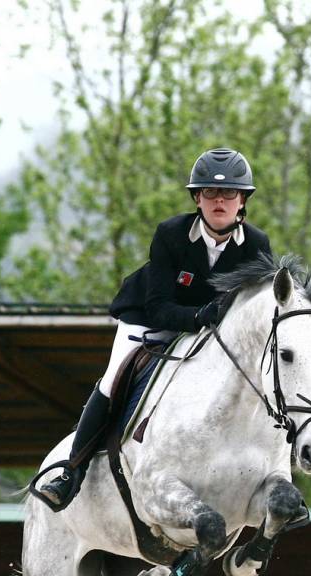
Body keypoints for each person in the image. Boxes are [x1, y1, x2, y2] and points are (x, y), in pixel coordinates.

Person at [30, 147, 274, 511]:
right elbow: (159, 305)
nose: (219, 201)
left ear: (243, 201)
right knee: (114, 378)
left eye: (229, 194)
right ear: (197, 198)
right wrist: (196, 319)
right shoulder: (171, 234)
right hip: (150, 320)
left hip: (213, 333)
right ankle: (71, 474)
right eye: (209, 193)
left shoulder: (257, 245)